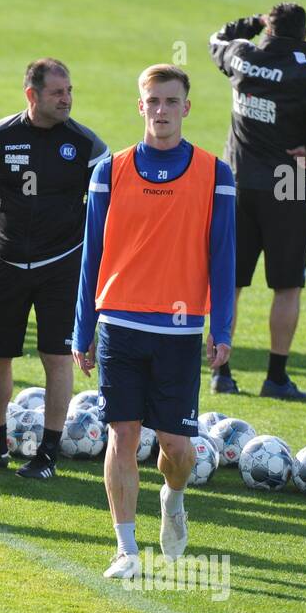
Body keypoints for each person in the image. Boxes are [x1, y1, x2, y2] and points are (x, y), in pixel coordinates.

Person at [72, 64, 236, 580]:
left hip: (180, 333)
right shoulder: (110, 171)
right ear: (139, 106)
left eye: (171, 101)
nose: (161, 111)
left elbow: (223, 257)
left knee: (177, 449)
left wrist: (223, 328)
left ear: (186, 108)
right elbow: (90, 256)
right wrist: (83, 330)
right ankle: (126, 549)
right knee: (122, 436)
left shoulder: (215, 174)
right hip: (120, 323)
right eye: (153, 101)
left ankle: (174, 496)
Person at [0, 58, 107, 479]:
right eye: (58, 92)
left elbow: (102, 210)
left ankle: (48, 455)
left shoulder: (87, 147)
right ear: (32, 95)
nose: (67, 99)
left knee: (56, 357)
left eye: (70, 91)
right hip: (3, 262)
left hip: (61, 267)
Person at [208, 2, 306, 400]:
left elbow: (215, 39)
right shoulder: (304, 71)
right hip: (288, 185)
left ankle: (222, 374)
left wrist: (249, 24)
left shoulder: (241, 55)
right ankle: (276, 378)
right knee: (287, 286)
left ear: (268, 28)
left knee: (230, 281)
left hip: (236, 182)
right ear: (302, 35)